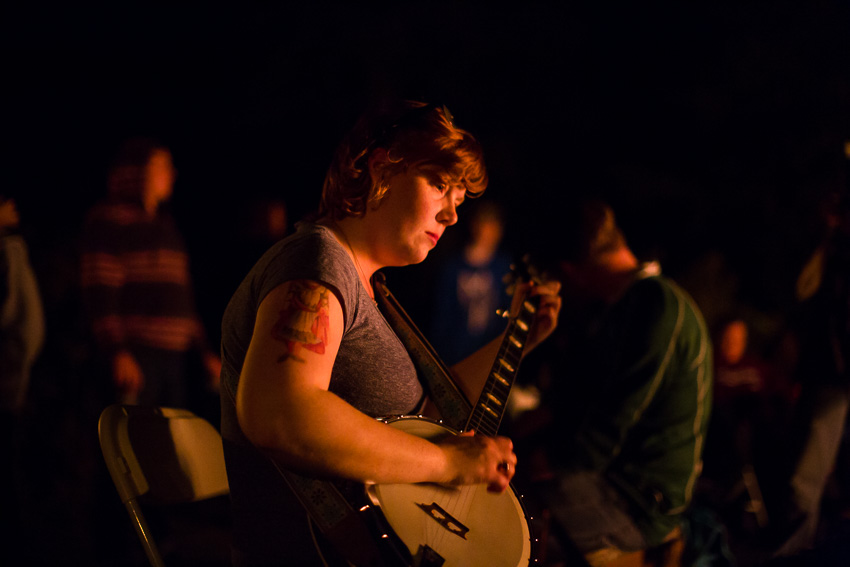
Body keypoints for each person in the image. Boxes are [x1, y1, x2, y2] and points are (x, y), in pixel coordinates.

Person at [219, 100, 561, 566]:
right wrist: (449, 463)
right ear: (382, 167)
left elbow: (427, 418)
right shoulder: (318, 263)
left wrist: (516, 341)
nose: (451, 215)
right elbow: (279, 410)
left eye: (458, 200)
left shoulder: (369, 288)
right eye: (440, 186)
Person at [515, 200, 712, 565]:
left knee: (512, 527)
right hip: (612, 480)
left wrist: (548, 457)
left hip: (638, 500)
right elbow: (577, 400)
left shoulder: (659, 307)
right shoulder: (620, 308)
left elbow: (611, 423)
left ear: (571, 271)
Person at [80, 137, 221, 408]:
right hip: (138, 357)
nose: (171, 174)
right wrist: (117, 352)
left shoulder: (166, 227)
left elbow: (182, 297)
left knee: (168, 442)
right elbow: (100, 289)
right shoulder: (110, 220)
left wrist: (204, 353)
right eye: (162, 166)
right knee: (135, 443)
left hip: (175, 358)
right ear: (137, 173)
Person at [771, 189, 850, 558]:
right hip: (831, 374)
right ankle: (794, 553)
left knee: (810, 475)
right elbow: (803, 290)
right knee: (805, 474)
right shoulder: (831, 252)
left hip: (835, 375)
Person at [429, 200, 514, 365]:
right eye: (484, 222)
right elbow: (441, 317)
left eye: (492, 224)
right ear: (474, 225)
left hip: (488, 357)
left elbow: (508, 314)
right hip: (454, 357)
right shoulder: (453, 268)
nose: (487, 230)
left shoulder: (503, 268)